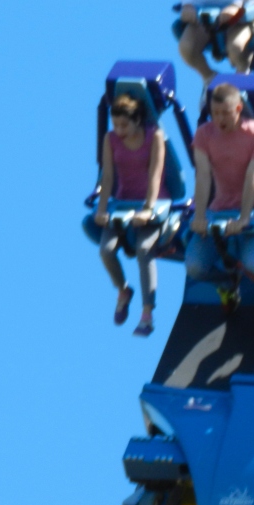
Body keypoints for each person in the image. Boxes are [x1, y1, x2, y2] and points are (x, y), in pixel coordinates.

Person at [186, 83, 254, 308]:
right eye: (215, 113)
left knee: (253, 266)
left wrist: (244, 218)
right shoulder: (204, 134)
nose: (219, 119)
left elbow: (252, 176)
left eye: (225, 113)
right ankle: (227, 284)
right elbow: (203, 176)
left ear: (238, 109)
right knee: (194, 267)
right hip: (219, 209)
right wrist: (199, 216)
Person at [93, 94, 168, 337]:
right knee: (106, 249)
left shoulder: (154, 136)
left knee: (144, 248)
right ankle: (123, 290)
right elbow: (107, 177)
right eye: (116, 125)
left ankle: (147, 313)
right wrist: (102, 209)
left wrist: (148, 209)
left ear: (137, 121)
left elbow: (156, 174)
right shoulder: (111, 139)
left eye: (124, 125)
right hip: (123, 203)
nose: (119, 130)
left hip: (152, 202)